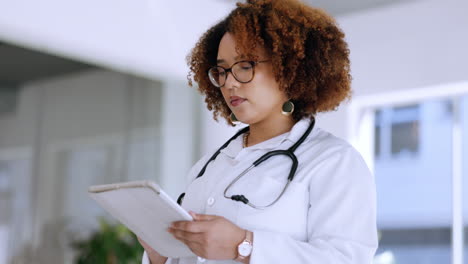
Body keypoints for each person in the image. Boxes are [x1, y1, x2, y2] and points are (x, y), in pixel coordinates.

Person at [139, 0, 378, 263]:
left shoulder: (335, 162)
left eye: (245, 66)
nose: (229, 82)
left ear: (289, 68)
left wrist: (245, 246)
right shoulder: (207, 167)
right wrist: (159, 256)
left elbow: (347, 259)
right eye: (222, 70)